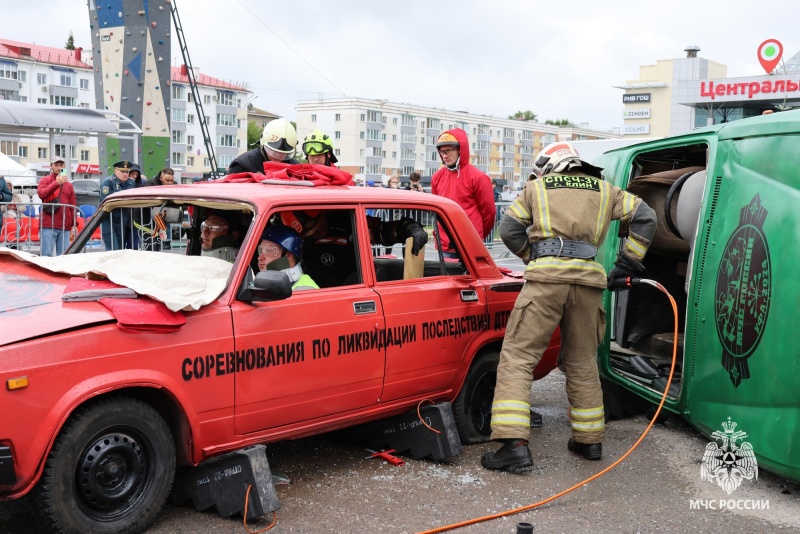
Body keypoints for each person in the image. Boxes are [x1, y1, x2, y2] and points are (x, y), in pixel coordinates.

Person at [480, 142, 657, 471]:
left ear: (549, 165)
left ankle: (514, 446)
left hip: (546, 282)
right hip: (588, 285)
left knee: (518, 358)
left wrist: (533, 256)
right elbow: (646, 217)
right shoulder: (606, 190)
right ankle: (589, 442)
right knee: (582, 362)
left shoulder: (538, 187)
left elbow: (508, 228)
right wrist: (627, 263)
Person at [431, 129, 496, 254]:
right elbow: (436, 211)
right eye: (441, 152)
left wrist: (477, 234)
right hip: (444, 245)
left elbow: (489, 213)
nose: (444, 155)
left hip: (470, 245)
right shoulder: (437, 177)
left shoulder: (478, 177)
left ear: (460, 149)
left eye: (448, 151)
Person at [37, 156, 78, 256]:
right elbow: (41, 194)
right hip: (48, 224)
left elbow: (72, 205)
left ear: (64, 166)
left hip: (65, 226)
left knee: (63, 257)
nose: (59, 167)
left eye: (61, 165)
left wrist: (74, 224)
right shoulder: (44, 180)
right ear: (51, 166)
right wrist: (56, 183)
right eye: (56, 165)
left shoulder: (69, 185)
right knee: (46, 256)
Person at [228, 118, 299, 174]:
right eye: (273, 152)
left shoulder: (296, 168)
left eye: (284, 154)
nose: (279, 158)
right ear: (263, 145)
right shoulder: (242, 165)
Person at [257, 225, 319, 290]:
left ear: (289, 255)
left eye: (269, 250)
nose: (260, 257)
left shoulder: (303, 290)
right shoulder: (271, 287)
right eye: (260, 250)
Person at [100, 160, 136, 251]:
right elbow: (106, 202)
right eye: (122, 171)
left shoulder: (131, 183)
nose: (125, 174)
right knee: (113, 249)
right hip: (109, 219)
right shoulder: (108, 182)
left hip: (123, 219)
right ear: (116, 171)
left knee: (120, 249)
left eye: (127, 172)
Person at [125, 163, 145, 250]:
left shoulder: (140, 184)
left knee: (133, 245)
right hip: (126, 216)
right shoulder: (125, 183)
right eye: (133, 174)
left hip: (135, 218)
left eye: (136, 174)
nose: (134, 176)